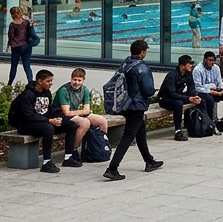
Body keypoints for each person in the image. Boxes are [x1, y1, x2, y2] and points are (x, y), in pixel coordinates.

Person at [104, 39, 162, 181]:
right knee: (128, 137)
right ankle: (112, 168)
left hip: (124, 104)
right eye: (145, 51)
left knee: (140, 131)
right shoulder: (142, 67)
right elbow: (148, 90)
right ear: (142, 52)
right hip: (136, 105)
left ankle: (149, 160)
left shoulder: (126, 63)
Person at [12, 69, 79, 173]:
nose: (51, 83)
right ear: (39, 81)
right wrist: (49, 120)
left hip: (43, 122)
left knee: (71, 125)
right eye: (48, 81)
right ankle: (46, 162)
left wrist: (58, 117)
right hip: (26, 125)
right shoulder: (27, 95)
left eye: (51, 81)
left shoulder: (46, 93)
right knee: (48, 128)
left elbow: (49, 110)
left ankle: (68, 158)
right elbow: (28, 116)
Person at [55, 67, 108, 152]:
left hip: (75, 113)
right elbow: (67, 112)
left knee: (102, 121)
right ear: (71, 79)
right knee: (85, 122)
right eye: (74, 80)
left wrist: (81, 112)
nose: (76, 82)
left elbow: (87, 110)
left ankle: (100, 145)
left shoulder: (85, 89)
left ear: (83, 80)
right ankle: (72, 150)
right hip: (60, 115)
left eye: (79, 80)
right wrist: (82, 112)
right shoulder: (64, 90)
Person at [156, 55, 202, 141]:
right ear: (182, 66)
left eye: (192, 64)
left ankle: (202, 124)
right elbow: (171, 93)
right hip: (165, 99)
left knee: (201, 98)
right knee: (178, 103)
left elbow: (191, 87)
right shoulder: (172, 75)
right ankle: (178, 131)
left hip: (177, 96)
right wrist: (188, 98)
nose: (191, 66)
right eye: (189, 64)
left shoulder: (188, 74)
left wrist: (194, 96)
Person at [193, 50, 223, 131]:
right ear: (204, 59)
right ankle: (210, 122)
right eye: (209, 60)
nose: (211, 62)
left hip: (216, 90)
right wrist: (212, 91)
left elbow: (219, 82)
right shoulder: (197, 70)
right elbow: (198, 87)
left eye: (213, 61)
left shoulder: (216, 68)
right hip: (204, 92)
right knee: (210, 99)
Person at [6, 7, 35, 85]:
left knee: (14, 66)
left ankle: (9, 84)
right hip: (27, 45)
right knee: (27, 66)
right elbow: (31, 32)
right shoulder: (26, 22)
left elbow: (11, 36)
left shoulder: (13, 24)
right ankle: (30, 83)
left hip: (16, 47)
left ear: (12, 14)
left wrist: (8, 45)